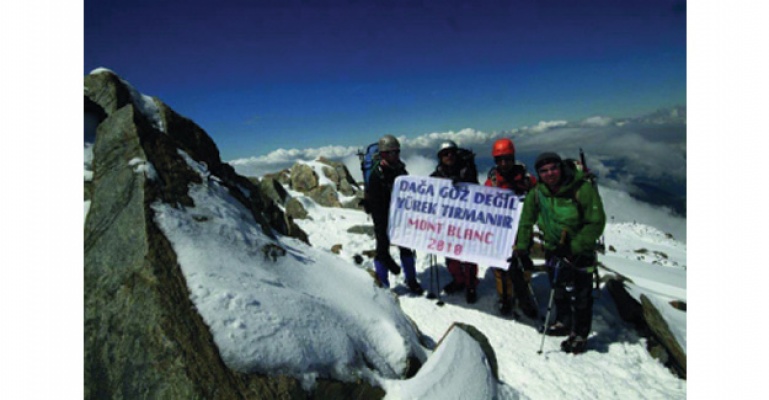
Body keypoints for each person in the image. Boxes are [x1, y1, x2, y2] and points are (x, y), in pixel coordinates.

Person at [514, 151, 606, 354]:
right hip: (554, 248)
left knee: (581, 294)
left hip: (581, 251)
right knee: (559, 286)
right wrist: (522, 247)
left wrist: (575, 247)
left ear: (561, 167)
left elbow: (596, 221)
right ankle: (564, 322)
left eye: (553, 168)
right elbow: (526, 221)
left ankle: (580, 334)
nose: (550, 174)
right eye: (544, 171)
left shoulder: (581, 188)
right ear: (538, 174)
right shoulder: (537, 193)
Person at [484, 138, 539, 318]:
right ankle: (505, 298)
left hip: (522, 232)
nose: (504, 163)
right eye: (500, 159)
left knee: (522, 265)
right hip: (500, 233)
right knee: (501, 269)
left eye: (507, 158)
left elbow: (543, 195)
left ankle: (523, 297)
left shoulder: (526, 179)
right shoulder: (491, 183)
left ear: (513, 157)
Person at [365, 134, 424, 295]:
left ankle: (411, 280)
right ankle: (384, 286)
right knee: (382, 249)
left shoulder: (400, 168)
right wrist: (380, 225)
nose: (395, 155)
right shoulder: (377, 175)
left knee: (405, 246)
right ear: (383, 154)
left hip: (400, 216)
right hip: (383, 217)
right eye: (390, 153)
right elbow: (375, 203)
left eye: (397, 152)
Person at [429, 140, 480, 303]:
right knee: (451, 254)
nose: (449, 156)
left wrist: (464, 181)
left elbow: (476, 190)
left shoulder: (468, 170)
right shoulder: (437, 174)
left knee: (469, 254)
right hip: (448, 223)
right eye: (445, 154)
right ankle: (459, 280)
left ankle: (471, 284)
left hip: (467, 220)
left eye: (451, 152)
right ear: (440, 157)